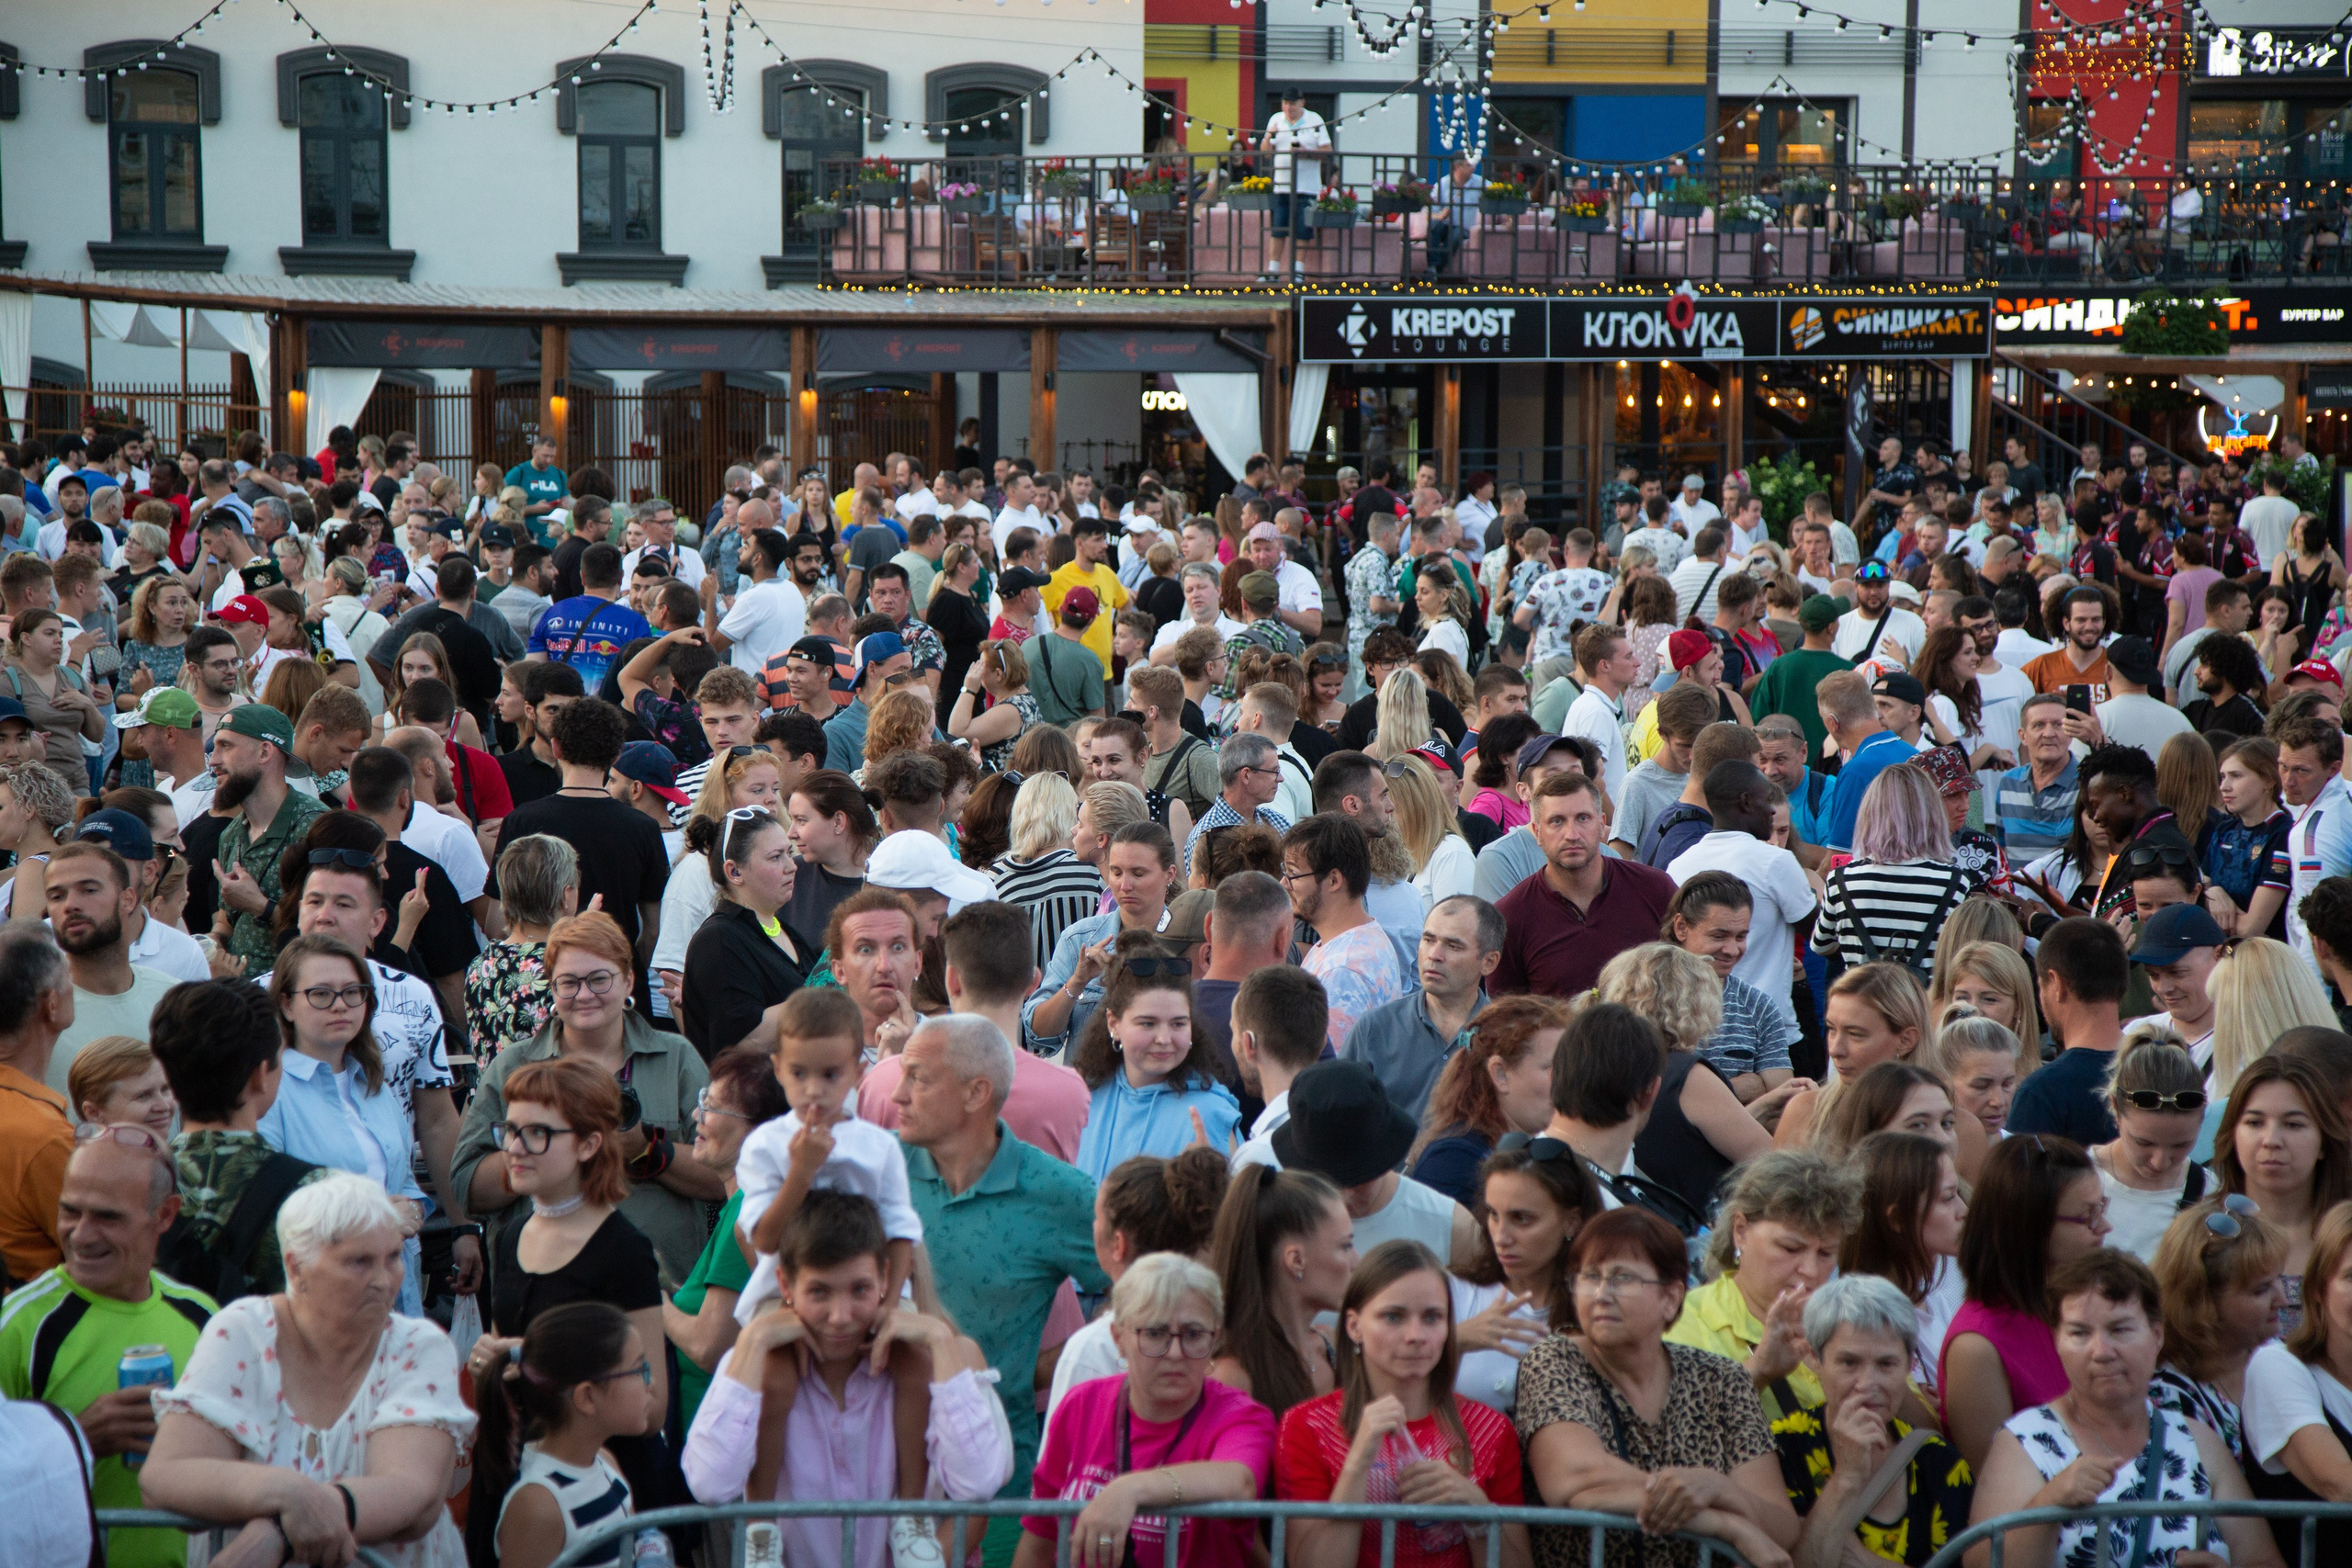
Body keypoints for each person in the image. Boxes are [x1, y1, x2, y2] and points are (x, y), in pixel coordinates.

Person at [140, 1173, 476, 1568]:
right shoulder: (244, 1332)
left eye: (393, 1257)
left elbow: (410, 1492)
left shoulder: (419, 1346)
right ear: (295, 1267)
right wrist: (288, 1494)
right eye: (359, 1262)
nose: (385, 1281)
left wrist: (278, 1533)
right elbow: (167, 1475)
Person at [686, 1191, 1010, 1568]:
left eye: (859, 1289)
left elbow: (980, 1483)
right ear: (786, 1286)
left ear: (885, 1279)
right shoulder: (753, 1364)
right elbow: (709, 1484)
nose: (840, 1316)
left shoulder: (924, 1365)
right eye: (819, 1291)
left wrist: (940, 1341)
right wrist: (753, 1342)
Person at [894, 1013, 1109, 1544]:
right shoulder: (878, 1172)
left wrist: (1063, 1361)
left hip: (998, 1489)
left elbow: (1138, 1280)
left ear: (975, 1093)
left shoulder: (1056, 1191)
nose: (897, 1095)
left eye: (917, 1078)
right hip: (879, 1480)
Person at [1515, 1203, 1802, 1568]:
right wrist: (1723, 1524)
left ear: (1670, 1298)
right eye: (1589, 1277)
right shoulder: (1554, 1360)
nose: (1601, 1293)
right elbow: (1576, 1481)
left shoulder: (1721, 1380)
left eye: (1622, 1278)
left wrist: (1716, 1487)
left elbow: (1781, 1526)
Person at [1964, 1248, 2283, 1568]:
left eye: (2119, 1330)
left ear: (2157, 1335)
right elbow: (1981, 1563)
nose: (2101, 1352)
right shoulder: (2025, 1441)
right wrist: (2049, 1502)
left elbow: (2261, 1559)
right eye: (2079, 1333)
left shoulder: (2198, 1442)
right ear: (2056, 1341)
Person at [453, 911, 718, 1288]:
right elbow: (467, 1186)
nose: (584, 995)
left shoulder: (675, 1057)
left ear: (628, 981)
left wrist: (648, 1152)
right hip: (542, 1289)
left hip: (661, 1290)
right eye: (569, 983)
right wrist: (543, 1154)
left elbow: (724, 1176)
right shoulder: (513, 1067)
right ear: (552, 986)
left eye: (599, 979)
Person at [0, 1130, 216, 1568]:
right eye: (70, 1211)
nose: (81, 1235)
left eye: (107, 1217)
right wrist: (76, 1438)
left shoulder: (204, 1318)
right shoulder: (19, 1325)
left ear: (165, 1215)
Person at [1276, 1239, 1532, 1568]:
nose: (1415, 1335)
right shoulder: (1308, 1426)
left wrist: (1477, 1511)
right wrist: (1357, 1463)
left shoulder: (1490, 1430)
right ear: (1354, 1327)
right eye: (1394, 1317)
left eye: (1432, 1317)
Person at [1018, 1250, 1274, 1568]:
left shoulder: (1239, 1415)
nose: (1176, 1353)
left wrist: (1129, 1490)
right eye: (1155, 1333)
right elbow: (1041, 1536)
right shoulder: (1081, 1404)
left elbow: (1239, 1483)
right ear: (1118, 1337)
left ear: (1215, 1338)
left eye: (1194, 1335)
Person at [1770, 1273, 1977, 1568]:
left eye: (1886, 1364)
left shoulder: (1940, 1463)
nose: (1868, 1383)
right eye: (1849, 1362)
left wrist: (1868, 1563)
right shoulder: (1781, 1447)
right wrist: (1847, 1477)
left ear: (1909, 1364)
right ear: (1815, 1359)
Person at [1939, 1134, 2109, 1471]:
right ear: (2031, 1227)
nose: (2105, 1226)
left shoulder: (2082, 1307)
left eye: (2103, 1208)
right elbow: (1996, 1491)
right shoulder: (1977, 1347)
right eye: (2088, 1216)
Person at [1665, 1150, 1860, 1425]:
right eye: (1790, 1248)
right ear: (1741, 1231)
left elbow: (1929, 1434)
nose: (1811, 1271)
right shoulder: (1685, 1320)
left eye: (1826, 1253)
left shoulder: (1850, 1318)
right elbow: (1669, 1432)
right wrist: (1759, 1371)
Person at [1046, 1146, 1232, 1418]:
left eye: (1097, 1218)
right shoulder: (1216, 1320)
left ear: (1118, 1244)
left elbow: (1062, 1457)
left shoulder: (1092, 1348)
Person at [659, 1044, 786, 1429]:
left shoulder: (747, 1215)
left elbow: (708, 1347)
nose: (697, 1115)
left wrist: (655, 1297)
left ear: (759, 1131)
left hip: (722, 1442)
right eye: (703, 1100)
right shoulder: (742, 1205)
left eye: (713, 1107)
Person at [1069, 931, 1241, 1181]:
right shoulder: (1084, 1100)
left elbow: (1235, 1215)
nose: (1164, 1038)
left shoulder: (1210, 1115)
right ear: (1113, 1023)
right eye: (1148, 1024)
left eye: (1178, 1024)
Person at [2214, 1053, 2352, 1335]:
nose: (2272, 1141)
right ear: (2233, 1133)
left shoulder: (2346, 1235)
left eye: (2293, 1124)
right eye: (2254, 1123)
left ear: (2324, 1141)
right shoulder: (2204, 1234)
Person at [2152, 1193, 2288, 1472]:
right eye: (2261, 1290)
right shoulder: (2169, 1396)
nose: (2283, 1299)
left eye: (2280, 1279)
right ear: (2204, 1303)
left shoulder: (2284, 1355)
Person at [1208, 1163, 1356, 1418]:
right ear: (1296, 1260)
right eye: (1345, 1246)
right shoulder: (1233, 1378)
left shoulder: (1330, 1347)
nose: (1356, 1260)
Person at [40, 840, 179, 1093]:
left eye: (89, 890)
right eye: (57, 896)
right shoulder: (32, 1011)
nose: (70, 905)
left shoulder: (172, 1000)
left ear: (128, 899)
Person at [679, 807, 816, 1059]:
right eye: (776, 857)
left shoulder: (786, 931)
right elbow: (743, 1042)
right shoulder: (718, 940)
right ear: (734, 872)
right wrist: (832, 992)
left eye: (789, 853)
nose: (792, 866)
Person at [1408, 996, 1568, 1208]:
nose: (1568, 1082)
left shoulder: (1536, 1149)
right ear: (1500, 1074)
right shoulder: (1453, 1163)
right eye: (1553, 1069)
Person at [2005, 918, 2131, 1147]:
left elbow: (2019, 1182)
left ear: (2056, 984)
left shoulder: (2042, 1093)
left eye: (2041, 984)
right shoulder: (2165, 1066)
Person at [2087, 1029, 2211, 1262]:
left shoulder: (2210, 1193)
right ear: (2115, 1109)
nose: (2160, 1161)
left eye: (2181, 1145)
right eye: (2143, 1142)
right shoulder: (2074, 1180)